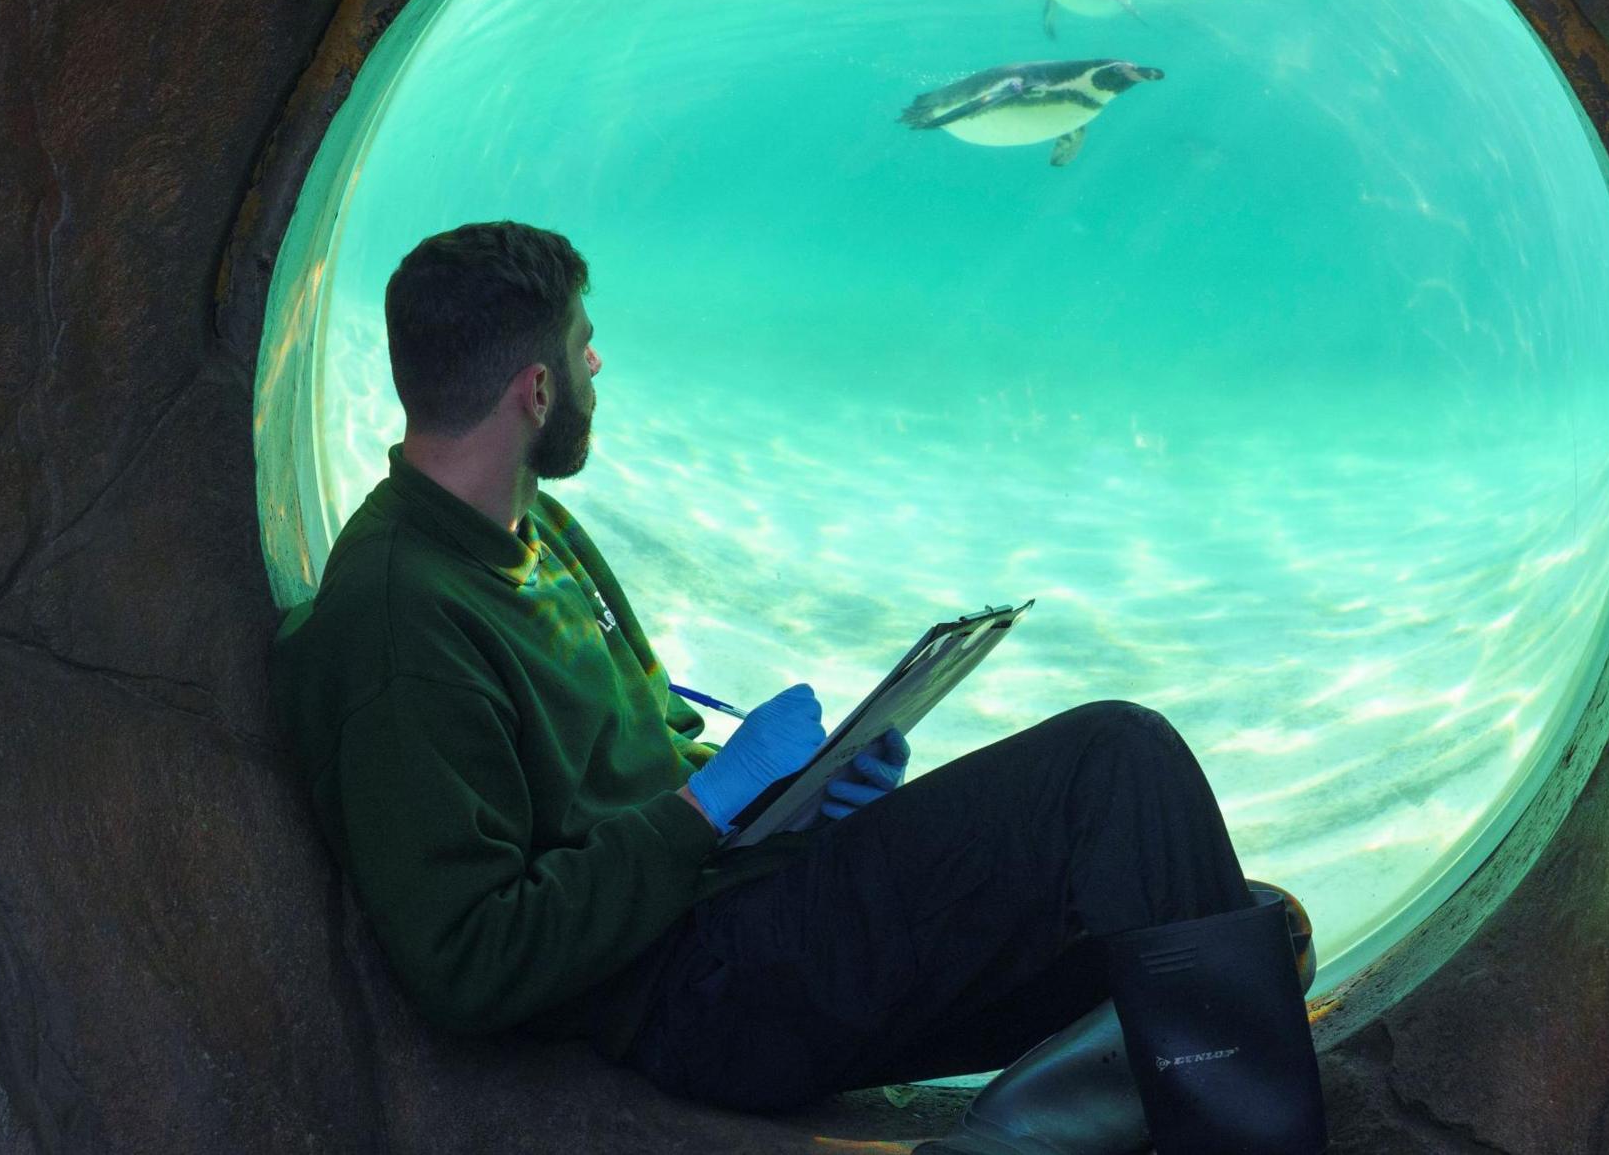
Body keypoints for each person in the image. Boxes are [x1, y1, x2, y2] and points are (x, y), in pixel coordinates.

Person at [268, 221, 1326, 1153]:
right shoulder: (401, 620)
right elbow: (469, 959)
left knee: (1238, 930)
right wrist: (705, 804)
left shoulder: (528, 523)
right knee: (1120, 761)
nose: (597, 360)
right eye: (581, 341)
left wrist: (800, 791)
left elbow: (646, 751)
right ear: (535, 388)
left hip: (748, 907)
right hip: (696, 992)